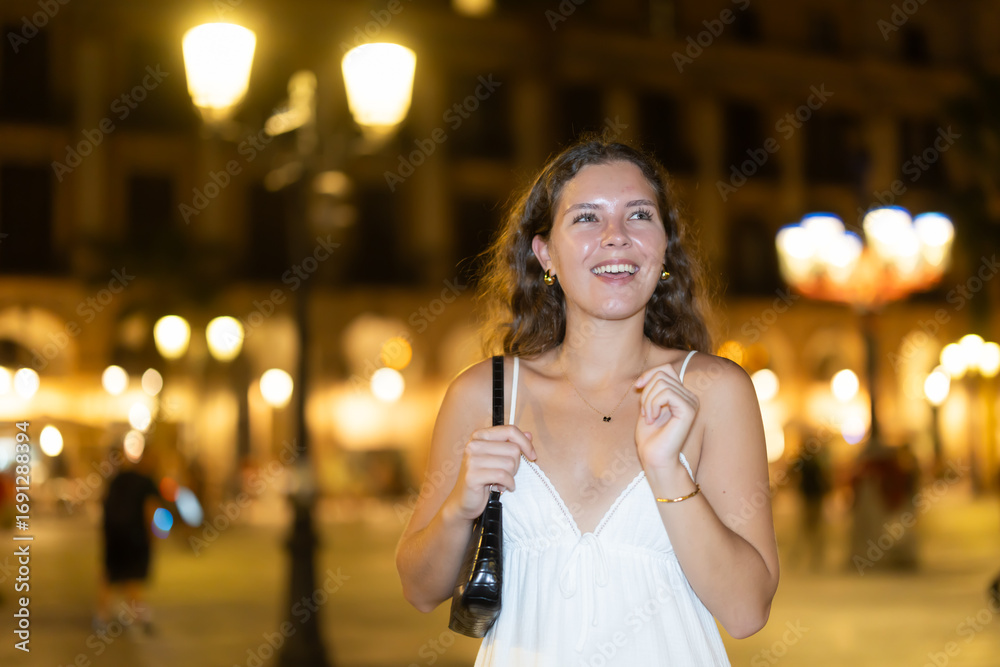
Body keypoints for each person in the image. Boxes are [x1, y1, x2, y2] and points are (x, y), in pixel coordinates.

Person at [396, 138, 779, 665]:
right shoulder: (483, 394)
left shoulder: (715, 392)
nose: (616, 237)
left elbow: (746, 611)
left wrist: (668, 473)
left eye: (639, 215)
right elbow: (419, 590)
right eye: (586, 219)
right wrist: (461, 503)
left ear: (664, 246)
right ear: (545, 254)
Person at [95, 449, 163, 634]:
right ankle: (140, 615)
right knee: (133, 576)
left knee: (110, 575)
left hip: (114, 535)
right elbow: (150, 509)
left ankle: (102, 616)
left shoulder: (117, 479)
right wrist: (155, 535)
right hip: (136, 536)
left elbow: (104, 504)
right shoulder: (146, 482)